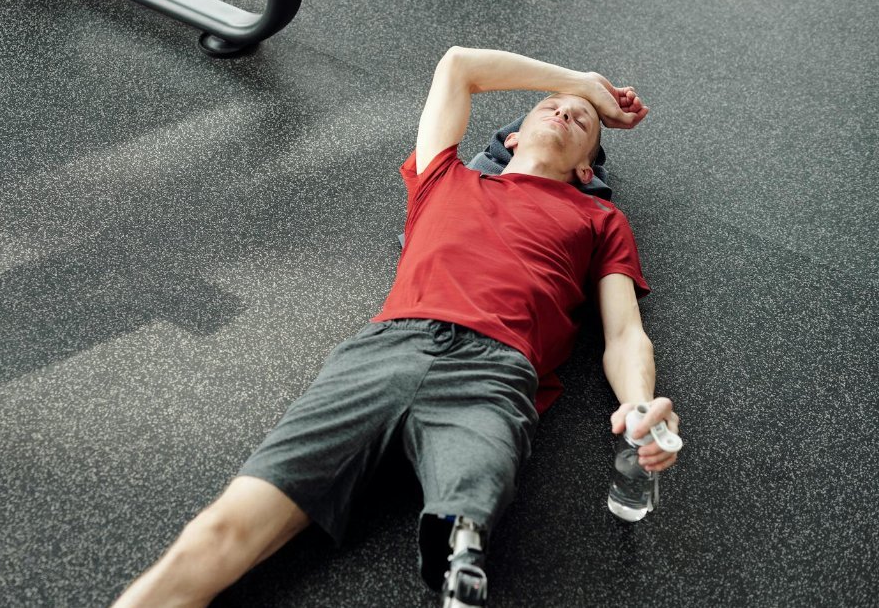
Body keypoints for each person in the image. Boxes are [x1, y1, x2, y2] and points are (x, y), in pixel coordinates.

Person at [111, 48, 681, 608]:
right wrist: (583, 83)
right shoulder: (444, 178)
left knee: (473, 493)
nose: (565, 111)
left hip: (494, 372)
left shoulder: (600, 218)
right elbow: (458, 65)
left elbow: (625, 334)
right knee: (223, 529)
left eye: (582, 119)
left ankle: (458, 552)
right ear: (509, 138)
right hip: (387, 350)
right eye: (549, 105)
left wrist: (639, 407)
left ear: (587, 169)